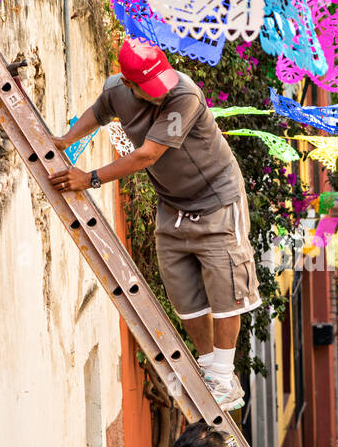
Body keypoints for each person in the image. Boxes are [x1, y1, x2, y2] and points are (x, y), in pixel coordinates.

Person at [50, 38, 260, 411]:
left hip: (218, 200)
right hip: (173, 202)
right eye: (146, 88)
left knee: (227, 287)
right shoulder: (117, 90)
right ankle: (212, 367)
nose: (157, 93)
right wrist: (67, 138)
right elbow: (98, 112)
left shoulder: (184, 96)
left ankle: (224, 377)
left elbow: (147, 154)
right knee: (183, 293)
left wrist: (91, 178)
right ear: (129, 84)